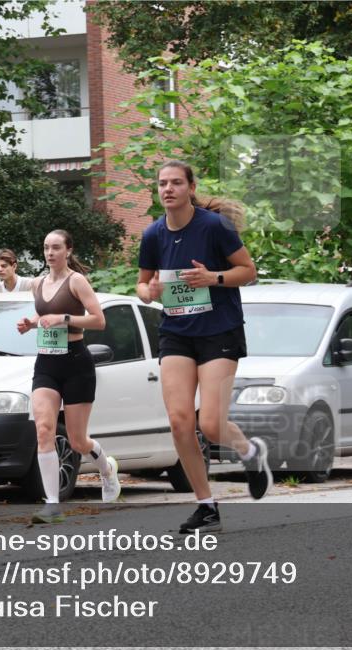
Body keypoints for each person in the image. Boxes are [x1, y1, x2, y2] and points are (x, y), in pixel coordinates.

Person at [136, 159, 271, 534]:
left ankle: (250, 452)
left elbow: (248, 271)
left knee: (209, 424)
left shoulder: (214, 227)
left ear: (191, 187)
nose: (168, 189)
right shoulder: (152, 235)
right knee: (180, 421)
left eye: (176, 182)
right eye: (162, 183)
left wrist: (212, 277)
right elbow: (142, 285)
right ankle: (206, 505)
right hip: (177, 331)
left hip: (219, 331)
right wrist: (151, 292)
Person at [16, 229, 120, 523]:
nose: (50, 253)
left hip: (76, 362)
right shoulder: (37, 283)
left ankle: (106, 469)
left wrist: (64, 319)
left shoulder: (76, 281)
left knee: (77, 441)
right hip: (46, 364)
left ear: (68, 250)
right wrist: (31, 324)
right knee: (44, 429)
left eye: (56, 248)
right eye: (46, 247)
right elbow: (44, 317)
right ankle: (52, 505)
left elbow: (99, 320)